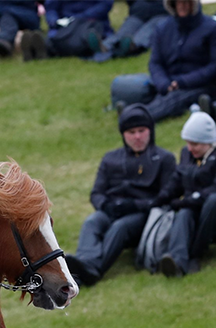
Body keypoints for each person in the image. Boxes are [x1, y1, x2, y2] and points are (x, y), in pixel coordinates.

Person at [65, 103, 176, 286]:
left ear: (150, 130)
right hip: (112, 209)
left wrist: (138, 205)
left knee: (120, 227)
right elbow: (96, 193)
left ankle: (94, 270)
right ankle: (84, 262)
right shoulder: (110, 159)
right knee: (92, 222)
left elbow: (168, 195)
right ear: (123, 134)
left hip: (143, 215)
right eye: (131, 132)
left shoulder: (164, 158)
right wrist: (106, 206)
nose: (137, 137)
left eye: (142, 130)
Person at [151, 111, 216, 277]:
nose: (190, 148)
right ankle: (177, 262)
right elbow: (177, 181)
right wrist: (158, 199)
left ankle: (195, 255)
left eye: (195, 144)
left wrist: (189, 200)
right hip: (197, 211)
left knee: (214, 201)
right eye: (188, 143)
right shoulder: (187, 154)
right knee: (185, 212)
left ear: (208, 142)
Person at [143, 0, 216, 122]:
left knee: (173, 100)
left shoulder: (212, 28)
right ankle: (134, 113)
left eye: (186, 2)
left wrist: (182, 82)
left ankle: (139, 118)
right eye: (178, 2)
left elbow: (215, 66)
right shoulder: (162, 29)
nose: (182, 6)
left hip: (200, 85)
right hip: (169, 83)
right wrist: (163, 83)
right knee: (146, 91)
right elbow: (155, 62)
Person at [22, 0, 114, 61]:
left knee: (84, 34)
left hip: (90, 21)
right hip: (64, 23)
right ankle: (39, 48)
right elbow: (51, 8)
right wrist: (53, 20)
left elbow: (105, 4)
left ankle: (43, 49)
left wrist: (80, 17)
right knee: (59, 34)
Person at [92, 0, 167, 62]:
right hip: (139, 12)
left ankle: (134, 45)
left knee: (149, 30)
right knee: (126, 30)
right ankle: (105, 46)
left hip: (162, 13)